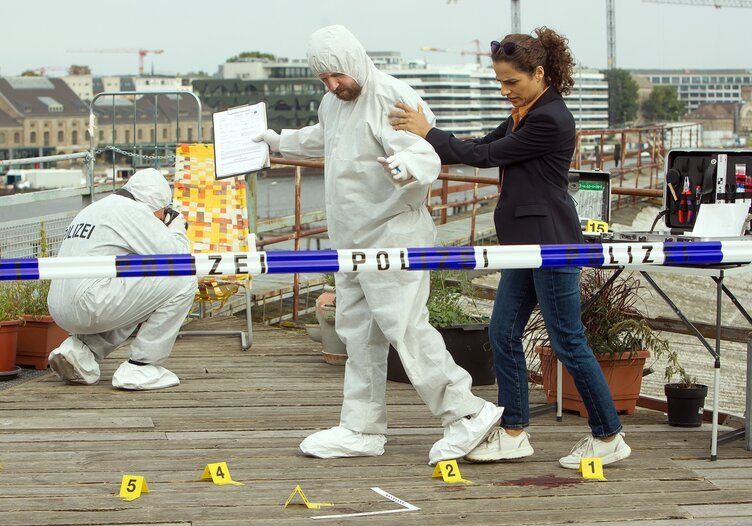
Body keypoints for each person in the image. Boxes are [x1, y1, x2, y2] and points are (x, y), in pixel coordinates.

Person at [254, 24, 502, 466]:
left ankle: (466, 412)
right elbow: (321, 137)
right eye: (324, 79)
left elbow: (426, 150)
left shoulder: (391, 96)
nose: (332, 85)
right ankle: (362, 426)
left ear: (353, 61)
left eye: (337, 76)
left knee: (405, 327)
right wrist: (278, 141)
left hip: (393, 233)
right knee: (358, 333)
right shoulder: (334, 102)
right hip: (351, 239)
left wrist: (408, 164)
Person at [388, 27, 631, 470]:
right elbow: (482, 144)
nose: (505, 91)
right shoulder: (526, 110)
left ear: (539, 74)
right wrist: (428, 142)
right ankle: (515, 431)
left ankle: (608, 434)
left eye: (511, 82)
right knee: (502, 333)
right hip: (523, 243)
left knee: (567, 340)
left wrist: (430, 132)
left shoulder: (550, 118)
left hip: (553, 244)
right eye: (499, 82)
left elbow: (486, 157)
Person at [47, 168, 197, 390]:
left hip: (59, 307)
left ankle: (81, 352)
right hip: (89, 304)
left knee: (137, 293)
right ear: (155, 205)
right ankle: (142, 365)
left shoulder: (95, 208)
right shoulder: (135, 212)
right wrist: (176, 230)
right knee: (185, 280)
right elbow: (178, 261)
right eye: (163, 212)